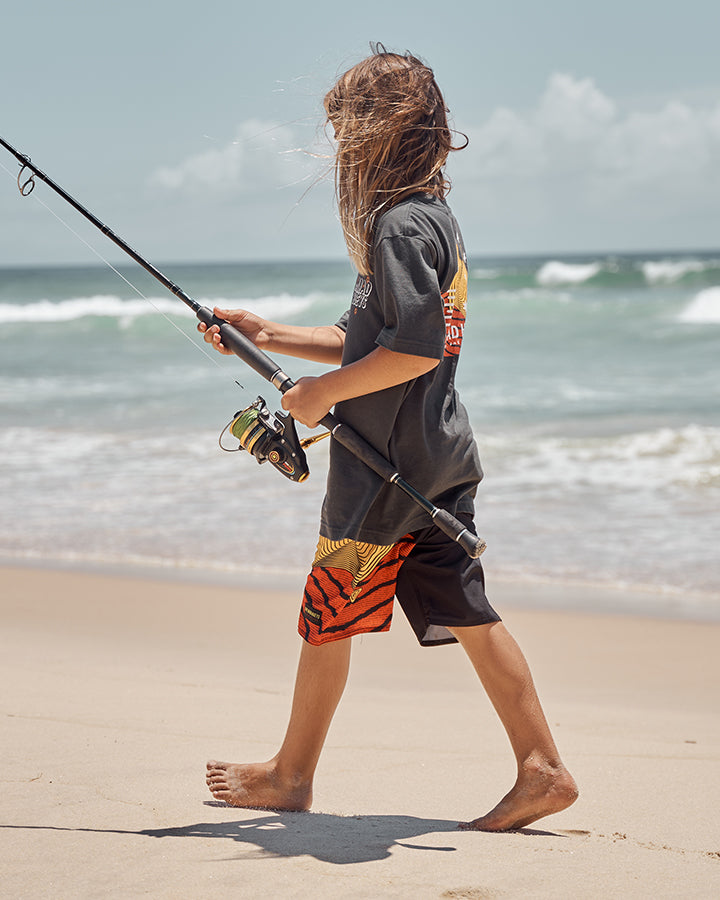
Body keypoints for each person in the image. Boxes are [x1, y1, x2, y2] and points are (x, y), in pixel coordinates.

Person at [200, 47, 577, 831]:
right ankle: (541, 767)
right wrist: (267, 332)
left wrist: (319, 399)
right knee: (462, 605)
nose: (339, 147)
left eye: (345, 131)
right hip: (437, 453)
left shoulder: (399, 224)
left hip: (386, 469)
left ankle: (292, 773)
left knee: (326, 610)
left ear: (380, 134)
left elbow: (412, 350)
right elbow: (369, 336)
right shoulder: (430, 216)